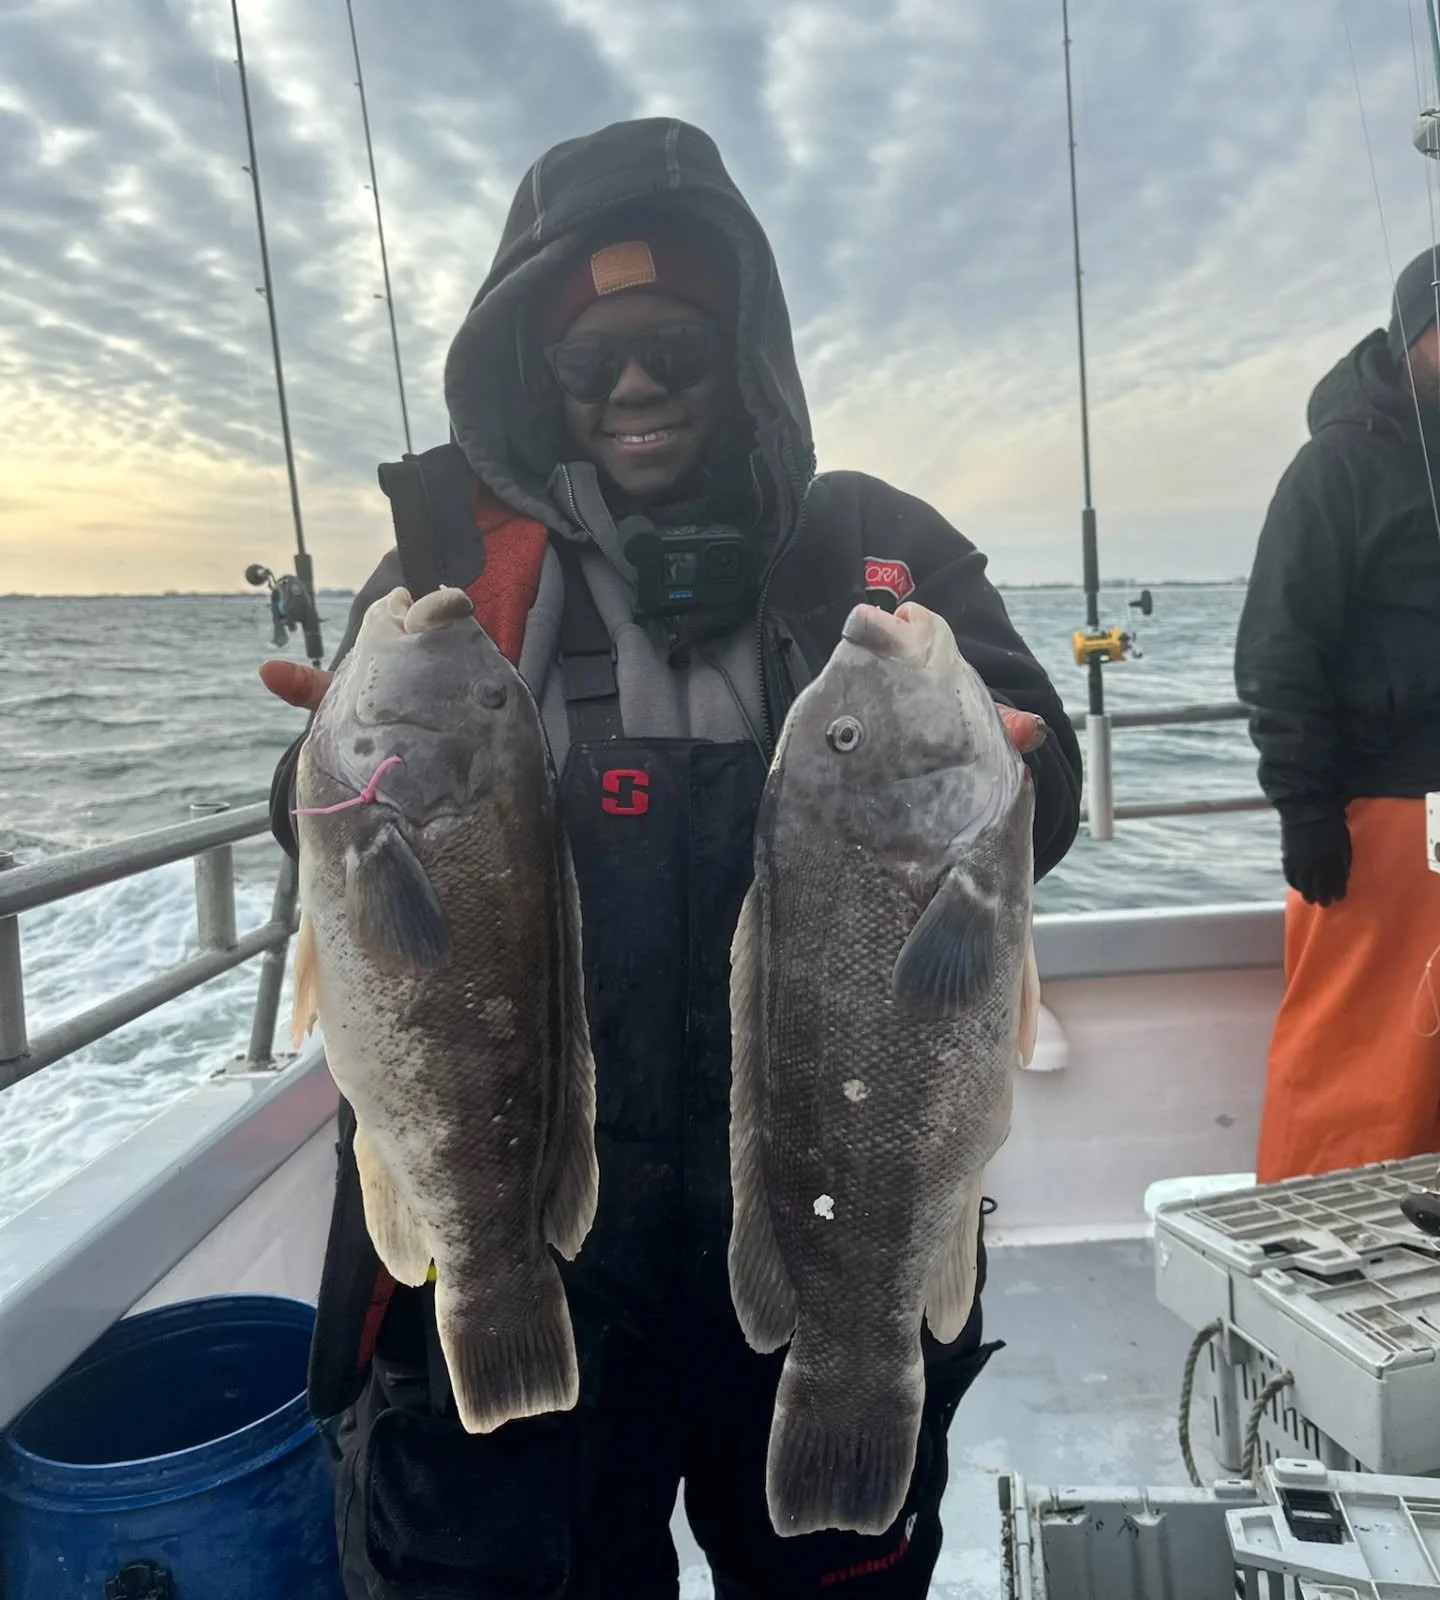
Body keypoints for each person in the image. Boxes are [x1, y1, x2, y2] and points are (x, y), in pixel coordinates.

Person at [262, 117, 1083, 1600]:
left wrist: (1011, 760)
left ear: (746, 352)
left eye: (676, 349)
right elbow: (324, 840)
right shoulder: (449, 569)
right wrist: (322, 771)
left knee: (838, 1564)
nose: (634, 387)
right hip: (528, 1218)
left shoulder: (873, 547)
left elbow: (1052, 789)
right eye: (590, 359)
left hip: (818, 1206)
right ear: (538, 372)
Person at [1236, 244, 1440, 1185]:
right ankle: (1311, 1235)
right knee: (1348, 1056)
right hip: (1375, 817)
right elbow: (1279, 645)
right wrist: (1305, 806)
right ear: (1415, 336)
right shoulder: (1336, 468)